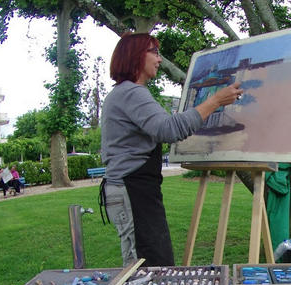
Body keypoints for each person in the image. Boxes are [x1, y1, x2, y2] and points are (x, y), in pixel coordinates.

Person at [100, 32, 243, 266]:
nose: (159, 59)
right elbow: (169, 129)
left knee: (152, 262)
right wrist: (215, 101)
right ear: (136, 55)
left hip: (134, 188)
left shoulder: (124, 93)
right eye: (154, 52)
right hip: (132, 189)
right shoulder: (131, 92)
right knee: (147, 266)